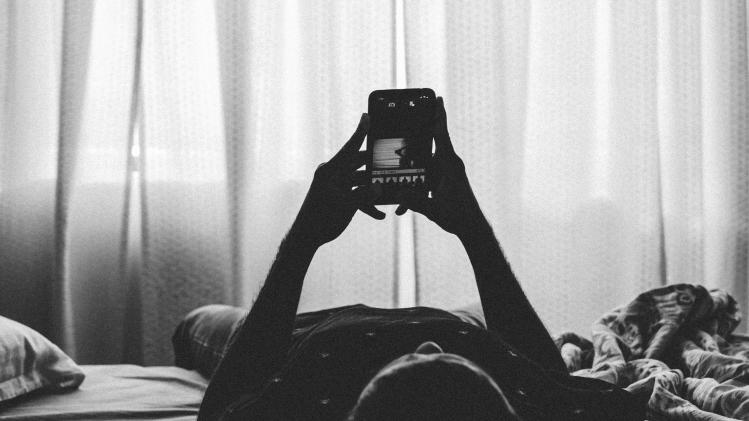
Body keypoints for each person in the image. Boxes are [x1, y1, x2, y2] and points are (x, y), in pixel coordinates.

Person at [195, 98, 644, 420]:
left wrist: (304, 237)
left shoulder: (292, 405)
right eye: (454, 368)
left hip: (306, 334)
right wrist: (472, 228)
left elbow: (220, 403)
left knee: (203, 321)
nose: (427, 347)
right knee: (473, 316)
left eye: (412, 365)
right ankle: (468, 333)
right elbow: (549, 377)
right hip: (467, 330)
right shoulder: (546, 408)